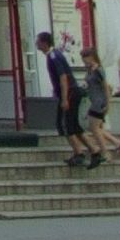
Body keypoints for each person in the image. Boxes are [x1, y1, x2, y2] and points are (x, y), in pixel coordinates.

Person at [37, 31, 90, 168]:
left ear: (44, 42)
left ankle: (79, 153)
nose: (36, 43)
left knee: (66, 125)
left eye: (38, 41)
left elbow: (63, 77)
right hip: (69, 93)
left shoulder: (54, 56)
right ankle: (92, 151)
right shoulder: (53, 55)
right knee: (70, 126)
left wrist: (65, 98)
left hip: (70, 93)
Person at [81, 48, 120, 160]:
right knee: (94, 127)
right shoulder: (90, 70)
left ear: (92, 57)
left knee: (94, 128)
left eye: (86, 58)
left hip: (99, 102)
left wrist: (107, 103)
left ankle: (105, 152)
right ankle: (116, 142)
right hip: (94, 101)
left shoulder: (98, 70)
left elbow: (105, 87)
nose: (84, 61)